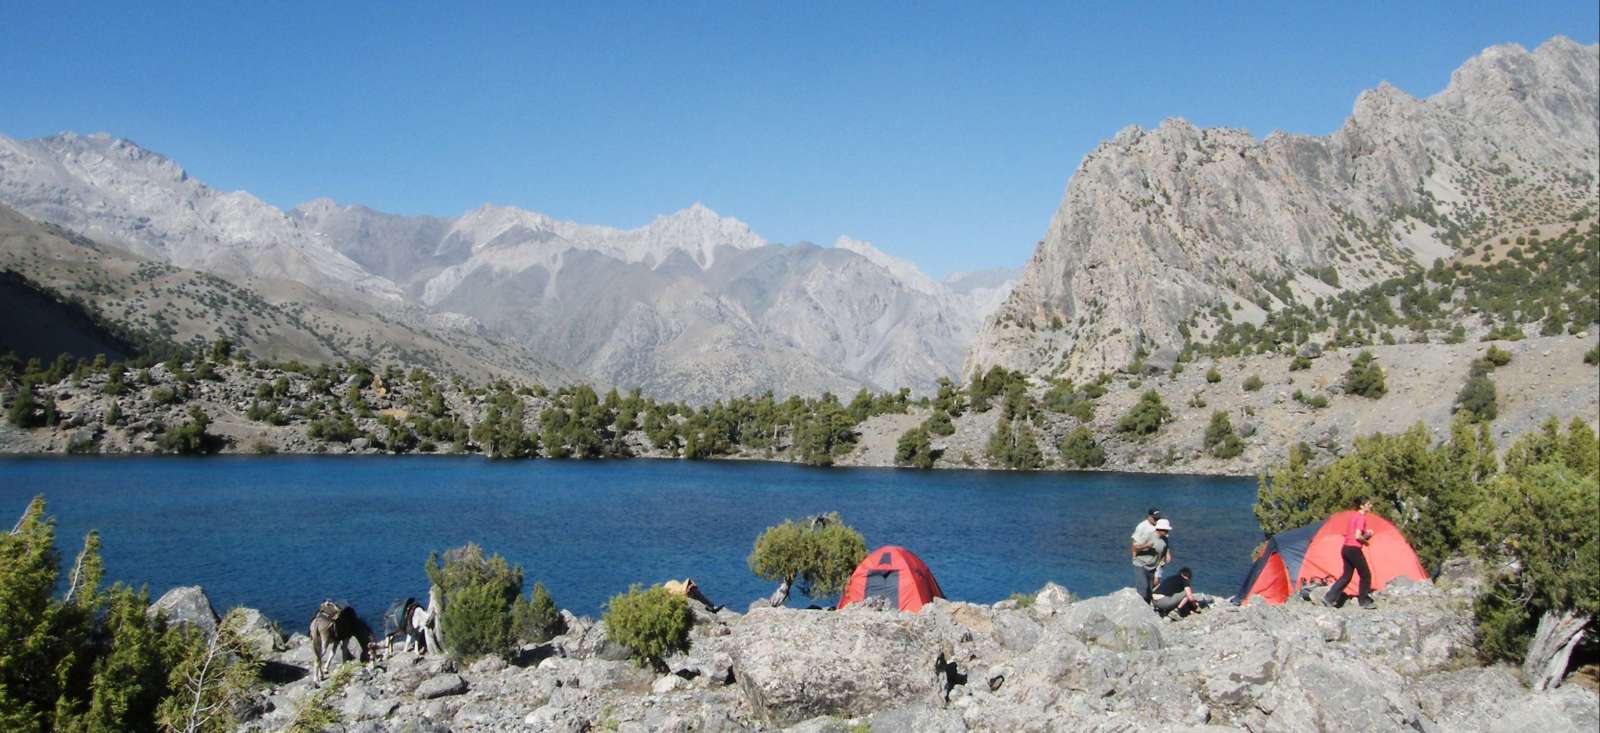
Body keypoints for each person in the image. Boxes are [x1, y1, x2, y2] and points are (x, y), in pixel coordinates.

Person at [1323, 497, 1377, 609]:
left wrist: (1366, 534)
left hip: (1346, 548)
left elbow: (1353, 534)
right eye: (1368, 504)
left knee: (1346, 576)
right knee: (1365, 575)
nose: (1370, 506)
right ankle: (1364, 601)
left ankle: (1329, 598)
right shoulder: (1361, 518)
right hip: (1354, 549)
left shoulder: (1354, 517)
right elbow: (1357, 536)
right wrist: (1366, 541)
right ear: (1362, 506)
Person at [1131, 517, 1171, 603]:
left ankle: (1147, 609)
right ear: (1159, 529)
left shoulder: (1165, 539)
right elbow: (1135, 547)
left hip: (1152, 568)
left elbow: (1165, 549)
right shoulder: (1149, 535)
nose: (1167, 532)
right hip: (1141, 565)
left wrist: (1167, 556)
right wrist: (1145, 546)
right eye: (1166, 530)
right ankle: (1138, 608)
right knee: (1143, 588)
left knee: (1149, 591)